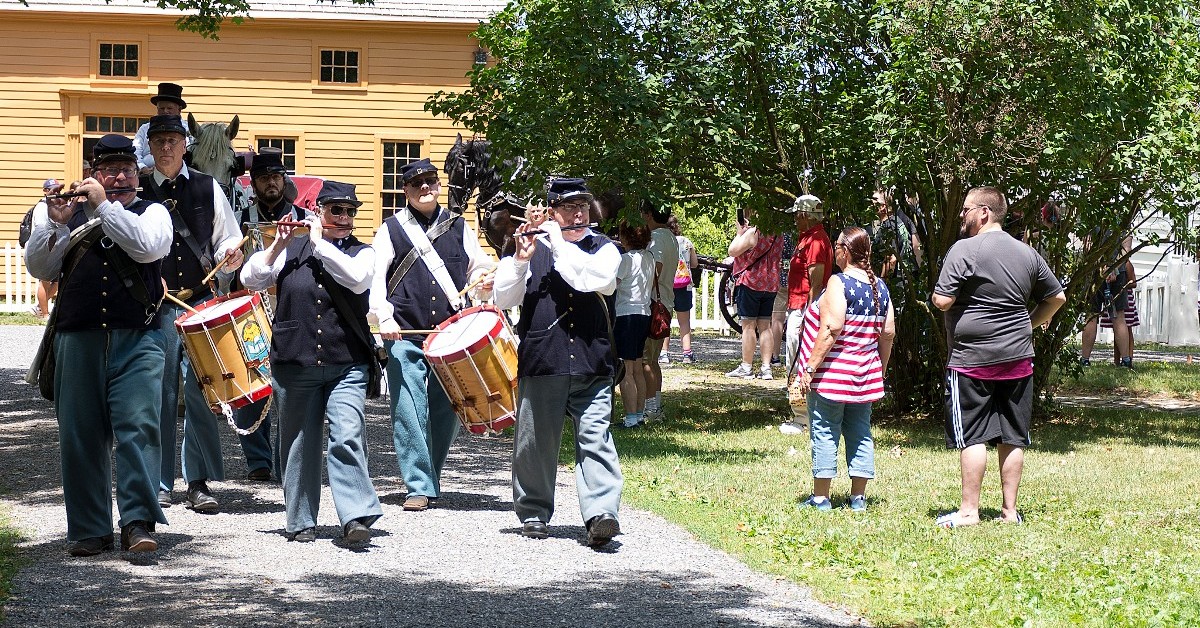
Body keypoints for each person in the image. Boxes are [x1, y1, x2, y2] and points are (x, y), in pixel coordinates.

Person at [25, 134, 173, 555]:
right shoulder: (68, 214)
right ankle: (89, 529)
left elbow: (146, 249)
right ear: (94, 173)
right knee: (80, 434)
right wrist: (54, 222)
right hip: (77, 338)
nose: (119, 177)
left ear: (137, 175)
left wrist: (104, 207)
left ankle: (138, 523)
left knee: (139, 429)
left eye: (126, 170)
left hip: (138, 339)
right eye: (109, 171)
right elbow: (41, 266)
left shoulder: (154, 212)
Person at [240, 181, 383, 544]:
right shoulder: (293, 248)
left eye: (351, 212)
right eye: (337, 210)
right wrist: (277, 246)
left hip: (346, 361)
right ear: (319, 211)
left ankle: (355, 517)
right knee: (298, 443)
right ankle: (301, 518)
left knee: (347, 434)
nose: (345, 218)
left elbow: (356, 280)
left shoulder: (361, 252)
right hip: (295, 359)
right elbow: (250, 278)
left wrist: (320, 244)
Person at [493, 177, 624, 548]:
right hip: (544, 357)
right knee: (534, 443)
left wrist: (555, 240)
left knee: (596, 438)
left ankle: (602, 514)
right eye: (567, 207)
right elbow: (504, 297)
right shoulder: (532, 248)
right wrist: (520, 258)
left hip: (592, 360)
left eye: (582, 206)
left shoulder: (605, 249)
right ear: (552, 211)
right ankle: (533, 513)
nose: (577, 213)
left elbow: (589, 280)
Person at [932, 186, 1066, 528]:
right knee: (1012, 435)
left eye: (965, 210)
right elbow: (1057, 298)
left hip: (971, 358)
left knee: (974, 435)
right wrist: (1027, 323)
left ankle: (968, 512)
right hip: (1018, 357)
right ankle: (1009, 513)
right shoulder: (1028, 254)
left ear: (984, 213)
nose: (961, 216)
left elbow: (942, 301)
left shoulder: (964, 249)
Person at [368, 158, 494, 512]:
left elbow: (479, 264)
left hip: (450, 335)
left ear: (438, 185)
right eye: (416, 183)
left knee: (446, 409)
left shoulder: (458, 226)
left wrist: (485, 277)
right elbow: (376, 281)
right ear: (405, 190)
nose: (425, 188)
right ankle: (418, 485)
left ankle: (429, 476)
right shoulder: (390, 229)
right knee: (409, 407)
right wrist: (384, 318)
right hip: (404, 333)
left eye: (430, 181)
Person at [137, 113, 244, 511]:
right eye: (160, 140)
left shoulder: (207, 188)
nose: (166, 147)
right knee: (158, 394)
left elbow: (226, 237)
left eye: (173, 140)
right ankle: (160, 480)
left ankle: (197, 482)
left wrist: (229, 256)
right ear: (150, 145)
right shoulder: (138, 187)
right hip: (153, 307)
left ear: (186, 145)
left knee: (201, 392)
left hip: (199, 302)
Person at [794, 227, 894, 511]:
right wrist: (881, 369)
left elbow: (831, 328)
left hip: (832, 377)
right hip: (865, 377)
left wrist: (810, 368)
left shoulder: (840, 283)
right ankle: (858, 498)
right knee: (860, 432)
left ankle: (821, 497)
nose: (834, 249)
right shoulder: (880, 287)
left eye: (836, 245)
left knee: (825, 430)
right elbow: (888, 334)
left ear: (845, 251)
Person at [230, 150, 305, 482]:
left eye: (276, 177)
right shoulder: (239, 220)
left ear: (284, 180)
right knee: (251, 386)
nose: (271, 183)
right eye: (264, 178)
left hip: (293, 311)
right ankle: (258, 461)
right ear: (254, 183)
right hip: (251, 311)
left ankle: (288, 458)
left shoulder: (305, 218)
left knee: (292, 389)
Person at [781, 195, 833, 434]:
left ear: (805, 215)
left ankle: (803, 418)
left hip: (804, 308)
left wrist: (809, 315)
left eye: (797, 215)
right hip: (799, 305)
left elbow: (816, 282)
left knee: (800, 358)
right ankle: (802, 415)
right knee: (796, 356)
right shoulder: (809, 238)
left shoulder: (815, 241)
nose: (794, 219)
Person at [726, 206, 783, 380]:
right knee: (765, 326)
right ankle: (766, 367)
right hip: (770, 284)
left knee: (748, 326)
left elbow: (732, 250)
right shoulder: (778, 235)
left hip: (751, 282)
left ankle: (747, 366)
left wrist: (739, 233)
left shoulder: (753, 233)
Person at [614, 222, 656, 429]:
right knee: (637, 367)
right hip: (644, 314)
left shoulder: (626, 259)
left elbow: (613, 284)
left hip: (626, 315)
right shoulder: (649, 258)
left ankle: (630, 418)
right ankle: (638, 413)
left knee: (626, 370)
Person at [641, 201, 678, 420]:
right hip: (665, 302)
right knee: (653, 360)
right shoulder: (670, 237)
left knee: (647, 360)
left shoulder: (657, 238)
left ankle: (651, 409)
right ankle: (656, 406)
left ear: (648, 214)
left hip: (655, 304)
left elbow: (655, 269)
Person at [1081, 233, 1133, 368]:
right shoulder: (1124, 220)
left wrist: (1101, 267)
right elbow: (1126, 249)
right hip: (1118, 273)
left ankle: (1085, 360)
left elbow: (1088, 247)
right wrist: (1114, 268)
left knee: (1091, 314)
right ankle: (1126, 361)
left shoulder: (1093, 218)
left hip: (1094, 272)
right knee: (1119, 316)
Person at [132, 83, 194, 173]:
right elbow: (135, 151)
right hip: (146, 175)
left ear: (179, 109)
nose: (165, 111)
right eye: (161, 108)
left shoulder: (189, 130)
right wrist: (142, 168)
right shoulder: (145, 129)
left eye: (169, 108)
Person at [666, 215, 698, 364]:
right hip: (684, 285)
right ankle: (687, 353)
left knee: (665, 320)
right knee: (684, 322)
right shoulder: (686, 242)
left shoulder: (662, 242)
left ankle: (664, 353)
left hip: (667, 285)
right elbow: (695, 264)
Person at [869, 188, 921, 279]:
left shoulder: (889, 226)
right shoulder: (894, 222)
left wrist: (882, 284)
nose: (870, 205)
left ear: (883, 206)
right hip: (908, 276)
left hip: (899, 280)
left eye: (874, 201)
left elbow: (891, 259)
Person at [29, 178, 63, 319]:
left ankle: (38, 308)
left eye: (57, 189)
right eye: (51, 189)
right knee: (45, 281)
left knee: (55, 282)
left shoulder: (54, 206)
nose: (55, 192)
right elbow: (43, 229)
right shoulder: (42, 207)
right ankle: (44, 313)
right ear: (45, 191)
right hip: (44, 248)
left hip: (54, 247)